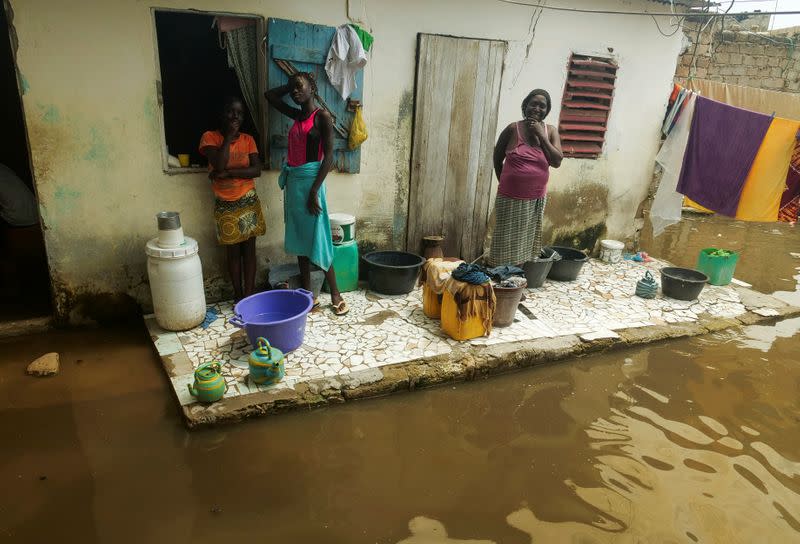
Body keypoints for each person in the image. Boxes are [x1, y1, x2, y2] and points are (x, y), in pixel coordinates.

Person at [266, 72, 348, 316]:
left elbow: (330, 158)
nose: (294, 92)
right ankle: (309, 295)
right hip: (294, 184)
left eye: (299, 87)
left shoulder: (322, 117)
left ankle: (335, 293)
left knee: (319, 237)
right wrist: (291, 83)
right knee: (301, 239)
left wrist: (314, 191)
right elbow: (269, 95)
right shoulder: (296, 115)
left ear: (313, 87)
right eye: (292, 89)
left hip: (312, 183)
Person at [199, 97, 265, 301]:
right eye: (231, 111)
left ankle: (249, 294)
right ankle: (238, 295)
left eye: (240, 113)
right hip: (225, 203)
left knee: (249, 251)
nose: (235, 116)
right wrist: (227, 138)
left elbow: (256, 170)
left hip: (247, 199)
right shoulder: (209, 137)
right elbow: (218, 165)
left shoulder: (248, 140)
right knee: (233, 252)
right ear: (222, 114)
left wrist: (228, 173)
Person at [488, 89, 563, 267]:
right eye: (533, 104)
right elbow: (497, 158)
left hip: (536, 199)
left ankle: (515, 279)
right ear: (525, 106)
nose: (537, 108)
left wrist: (541, 135)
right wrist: (506, 183)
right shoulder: (513, 129)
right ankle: (500, 278)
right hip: (509, 198)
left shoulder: (550, 131)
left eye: (542, 106)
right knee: (504, 241)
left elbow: (557, 161)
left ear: (547, 110)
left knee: (525, 242)